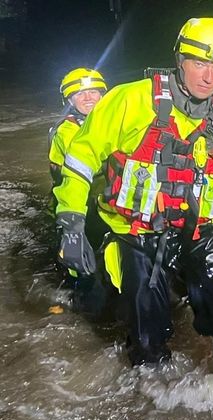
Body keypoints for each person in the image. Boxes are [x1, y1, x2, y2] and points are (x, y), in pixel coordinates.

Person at [53, 17, 213, 372]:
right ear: (180, 60)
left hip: (201, 233)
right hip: (138, 232)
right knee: (147, 333)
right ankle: (154, 390)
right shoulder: (129, 101)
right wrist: (71, 222)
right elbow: (81, 159)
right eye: (200, 63)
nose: (209, 76)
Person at [48, 67, 113, 320]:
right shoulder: (66, 131)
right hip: (80, 203)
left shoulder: (110, 123)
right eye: (80, 93)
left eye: (94, 92)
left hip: (106, 200)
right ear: (69, 100)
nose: (88, 98)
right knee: (79, 262)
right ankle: (77, 294)